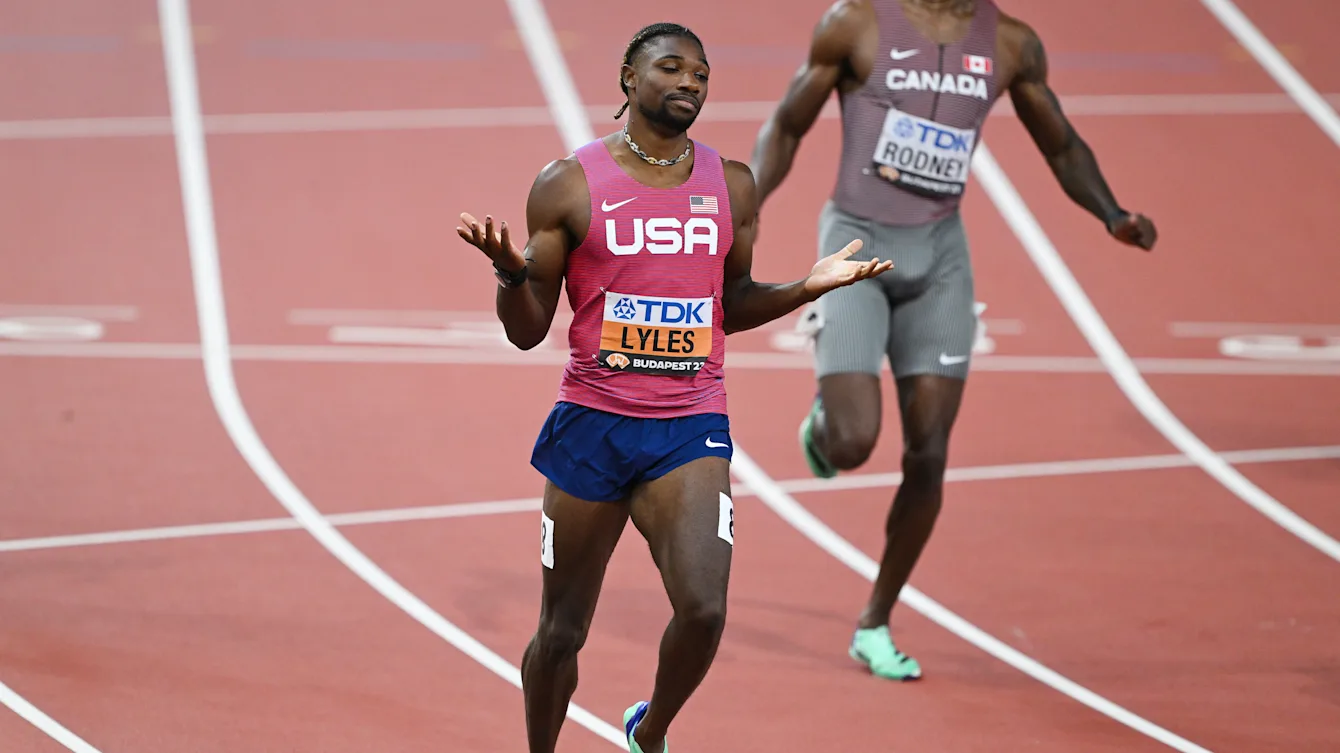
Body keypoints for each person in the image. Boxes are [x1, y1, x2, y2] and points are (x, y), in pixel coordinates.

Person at [455, 21, 892, 753]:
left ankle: (649, 730)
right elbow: (528, 329)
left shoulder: (734, 184)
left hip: (689, 424)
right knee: (561, 631)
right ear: (629, 78)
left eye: (701, 73)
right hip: (592, 422)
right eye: (671, 68)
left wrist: (804, 287)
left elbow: (735, 300)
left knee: (703, 610)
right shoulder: (569, 182)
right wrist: (510, 275)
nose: (689, 81)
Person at [750, 0, 1158, 682]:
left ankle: (875, 620)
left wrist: (1110, 211)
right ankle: (824, 426)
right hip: (857, 243)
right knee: (853, 444)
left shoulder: (1011, 44)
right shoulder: (855, 25)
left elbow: (1059, 141)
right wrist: (747, 205)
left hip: (940, 255)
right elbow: (788, 125)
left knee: (930, 450)